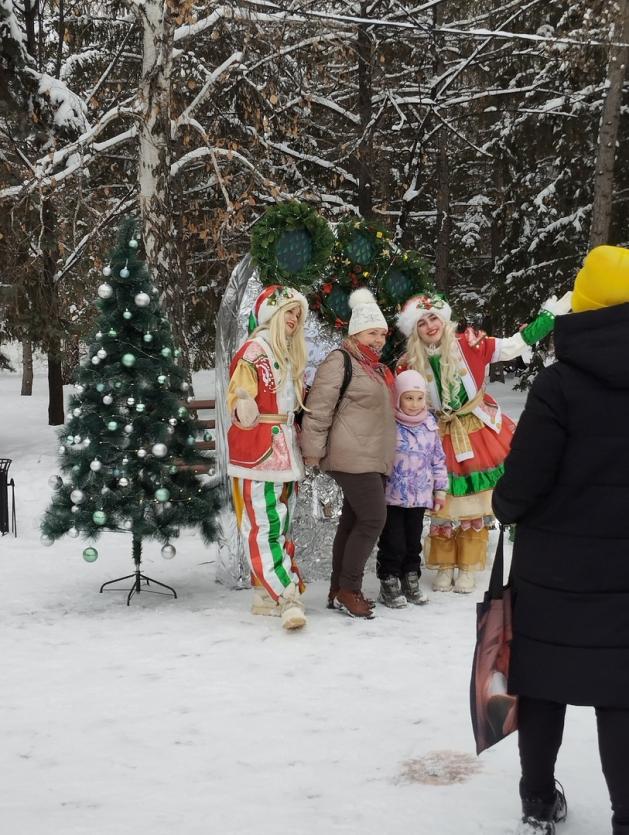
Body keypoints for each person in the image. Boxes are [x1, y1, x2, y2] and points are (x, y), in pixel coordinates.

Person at [492, 245, 629, 835]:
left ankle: (538, 803)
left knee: (541, 684)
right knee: (621, 697)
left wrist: (504, 506)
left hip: (552, 573)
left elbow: (520, 486)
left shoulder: (558, 387)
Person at [396, 289, 572, 593]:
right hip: (436, 433)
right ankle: (444, 564)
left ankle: (467, 565)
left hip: (475, 429)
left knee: (472, 505)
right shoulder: (407, 363)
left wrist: (549, 317)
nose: (430, 326)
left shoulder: (471, 343)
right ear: (415, 330)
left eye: (433, 318)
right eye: (422, 323)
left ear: (444, 319)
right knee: (442, 505)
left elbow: (515, 345)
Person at [300, 288, 396, 618]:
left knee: (354, 521)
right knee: (373, 519)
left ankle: (336, 588)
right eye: (373, 332)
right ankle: (349, 589)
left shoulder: (374, 368)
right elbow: (318, 408)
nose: (379, 339)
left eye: (383, 333)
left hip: (370, 455)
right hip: (350, 455)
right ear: (356, 332)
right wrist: (312, 452)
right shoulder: (340, 361)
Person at [227, 284, 309, 631]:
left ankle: (264, 592)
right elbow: (238, 393)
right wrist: (242, 404)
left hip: (284, 448)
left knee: (280, 522)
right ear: (271, 315)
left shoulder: (287, 353)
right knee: (265, 525)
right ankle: (285, 595)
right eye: (288, 312)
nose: (293, 319)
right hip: (259, 449)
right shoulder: (254, 350)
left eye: (297, 314)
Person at [376, 370, 448, 608]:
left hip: (420, 496)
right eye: (408, 398)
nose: (414, 404)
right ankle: (389, 579)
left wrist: (440, 490)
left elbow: (438, 460)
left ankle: (410, 576)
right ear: (398, 397)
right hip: (393, 496)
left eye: (419, 398)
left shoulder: (430, 425)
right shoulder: (389, 423)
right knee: (393, 541)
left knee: (413, 541)